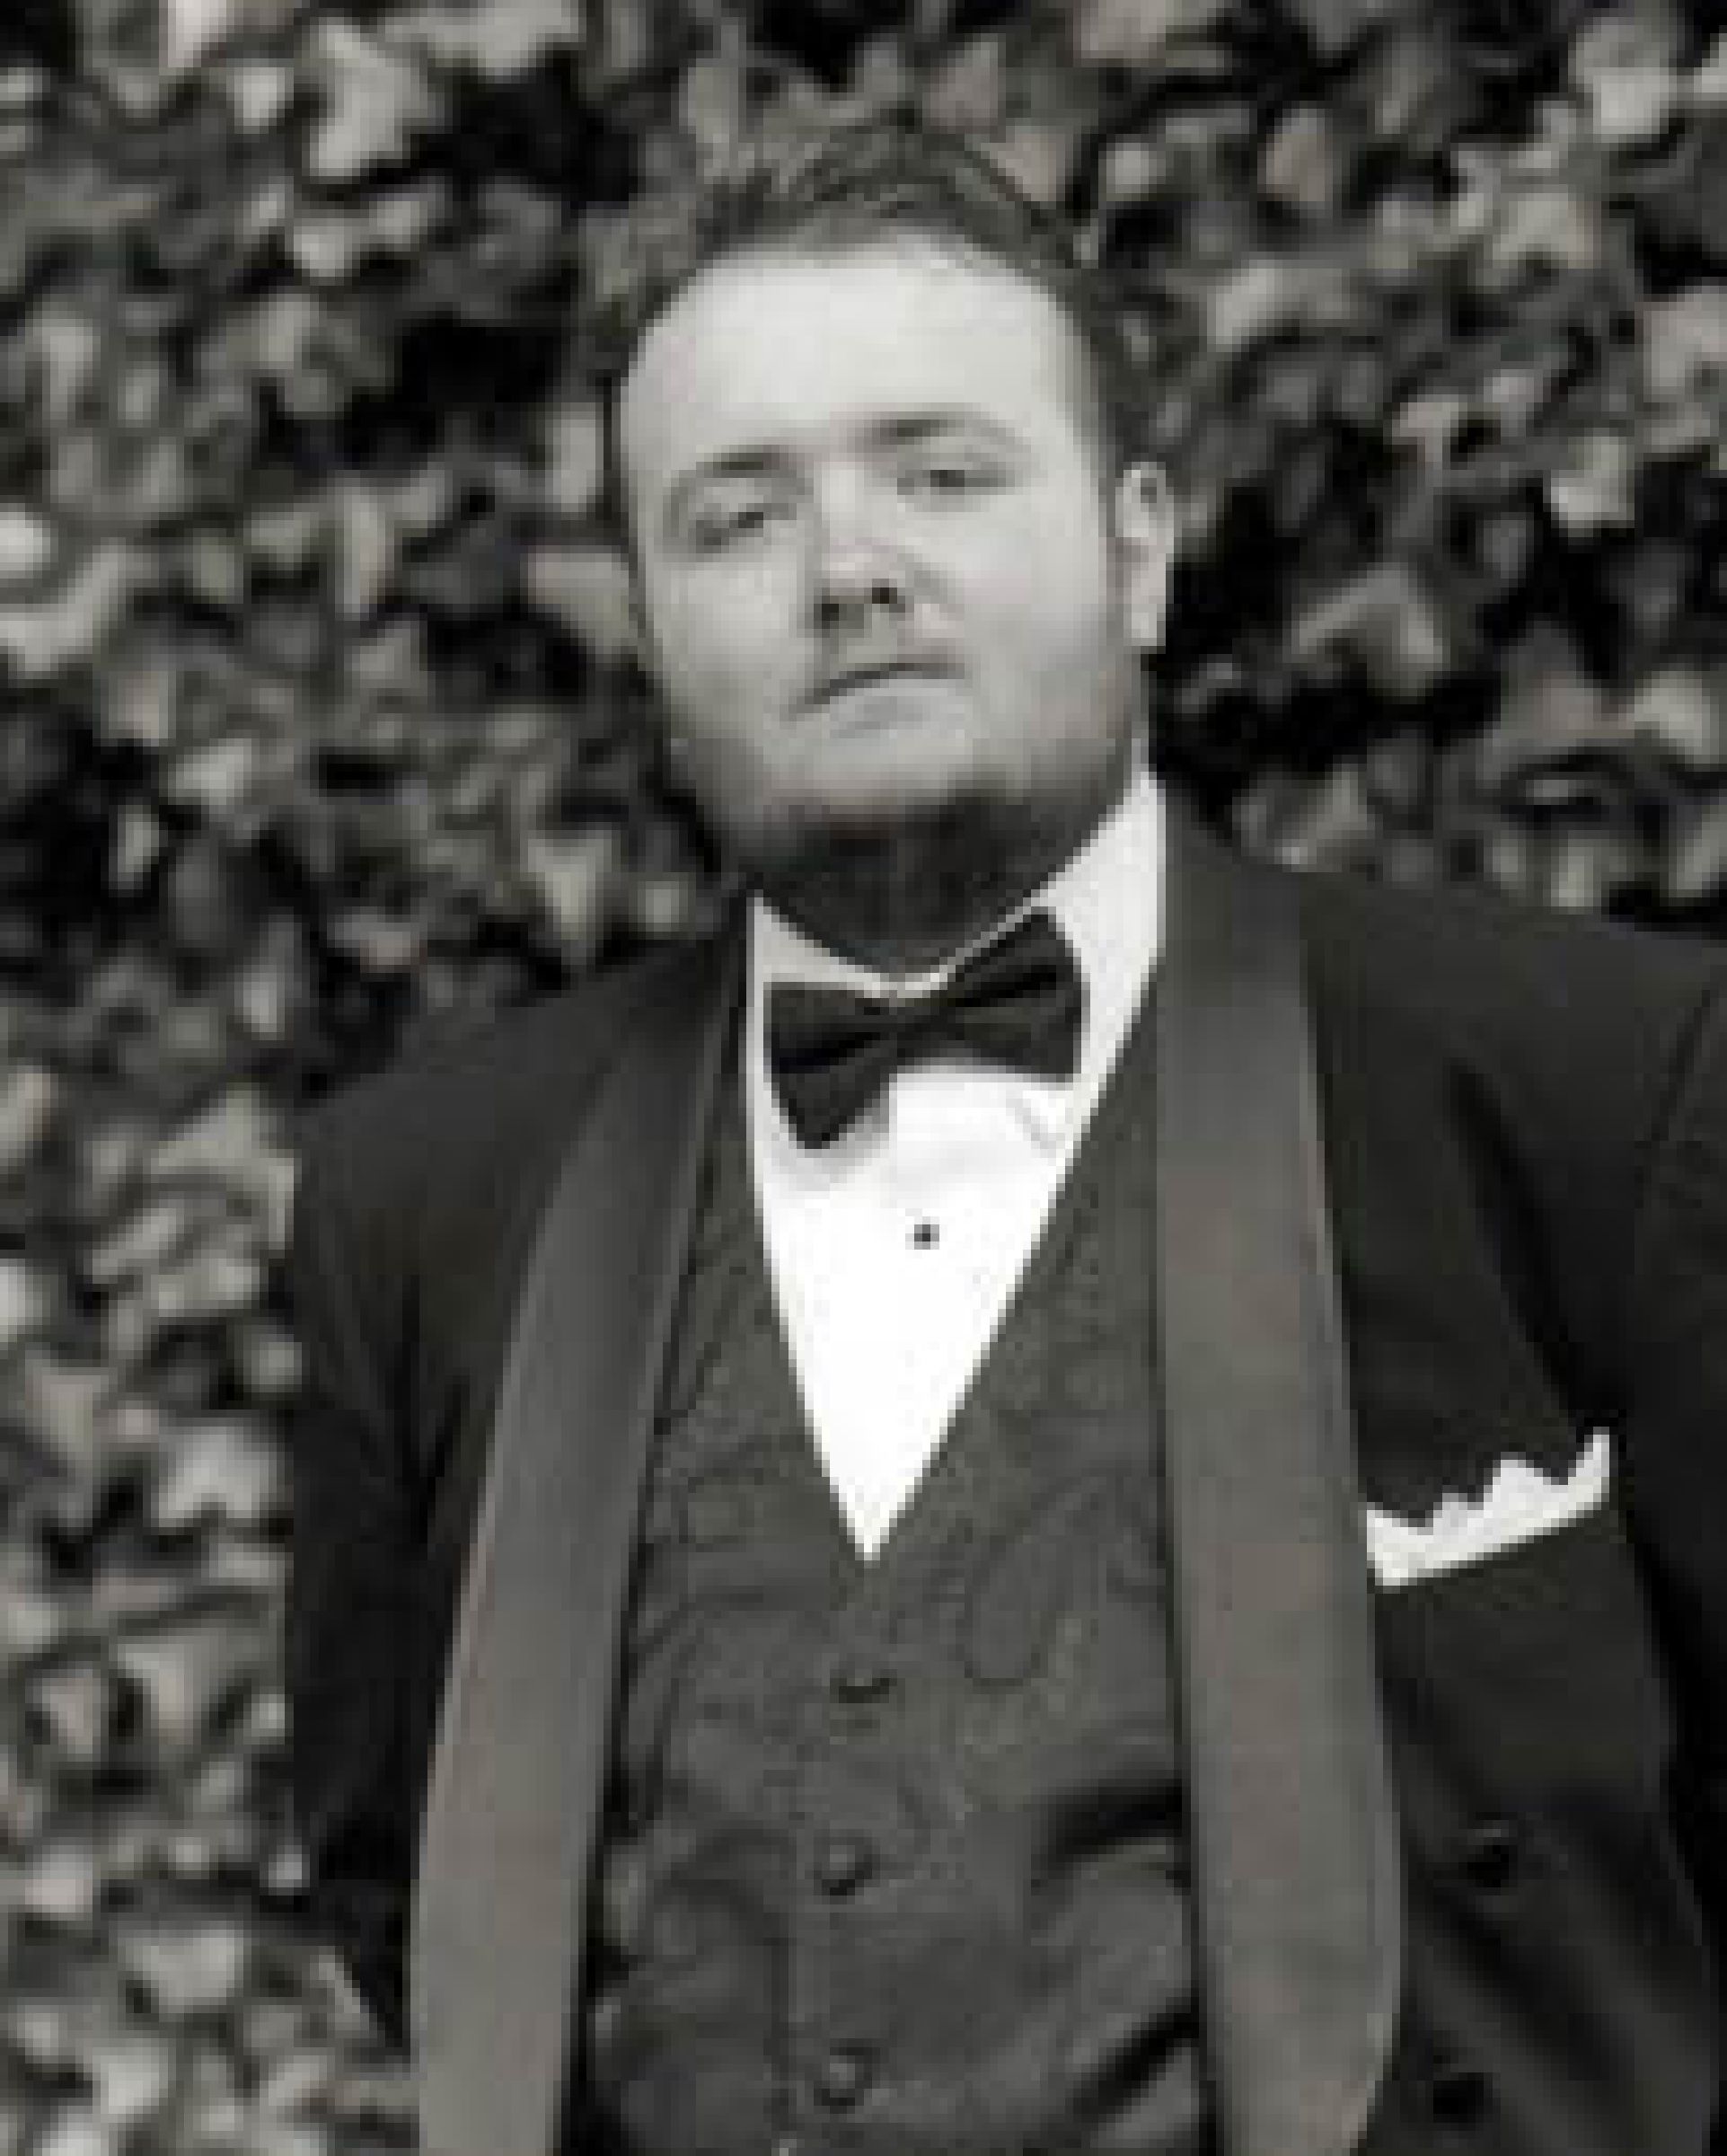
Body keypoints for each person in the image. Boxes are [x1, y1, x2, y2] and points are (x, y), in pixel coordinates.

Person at [284, 119, 1727, 2156]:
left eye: (942, 473)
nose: (848, 566)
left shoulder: (1588, 1086)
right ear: (648, 637)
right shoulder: (421, 1202)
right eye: (736, 516)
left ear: (1140, 549)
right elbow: (412, 1892)